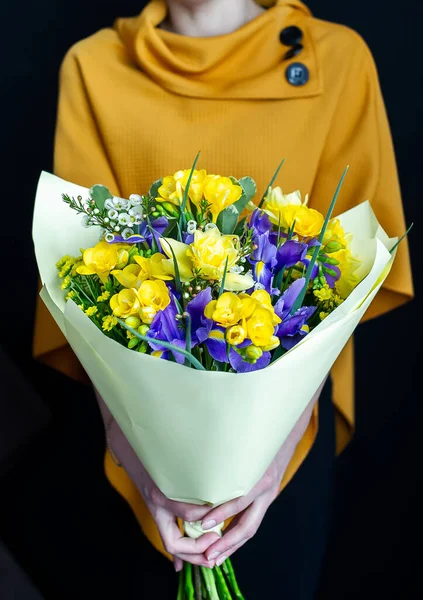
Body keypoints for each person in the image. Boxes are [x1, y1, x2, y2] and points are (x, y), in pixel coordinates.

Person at [33, 0, 413, 597]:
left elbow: (349, 282)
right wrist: (141, 466)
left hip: (286, 453)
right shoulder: (94, 66)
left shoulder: (337, 59)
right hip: (134, 454)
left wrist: (266, 468)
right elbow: (75, 280)